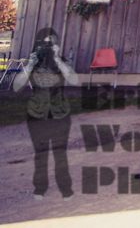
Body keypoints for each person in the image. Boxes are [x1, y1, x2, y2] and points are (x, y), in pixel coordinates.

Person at [13, 27, 78, 199]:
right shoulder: (33, 62)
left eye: (50, 44)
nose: (47, 47)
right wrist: (30, 65)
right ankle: (40, 188)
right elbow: (16, 86)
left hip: (60, 114)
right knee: (40, 154)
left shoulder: (61, 61)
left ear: (56, 45)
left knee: (60, 153)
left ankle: (65, 188)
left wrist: (57, 59)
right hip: (37, 114)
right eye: (43, 44)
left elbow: (74, 80)